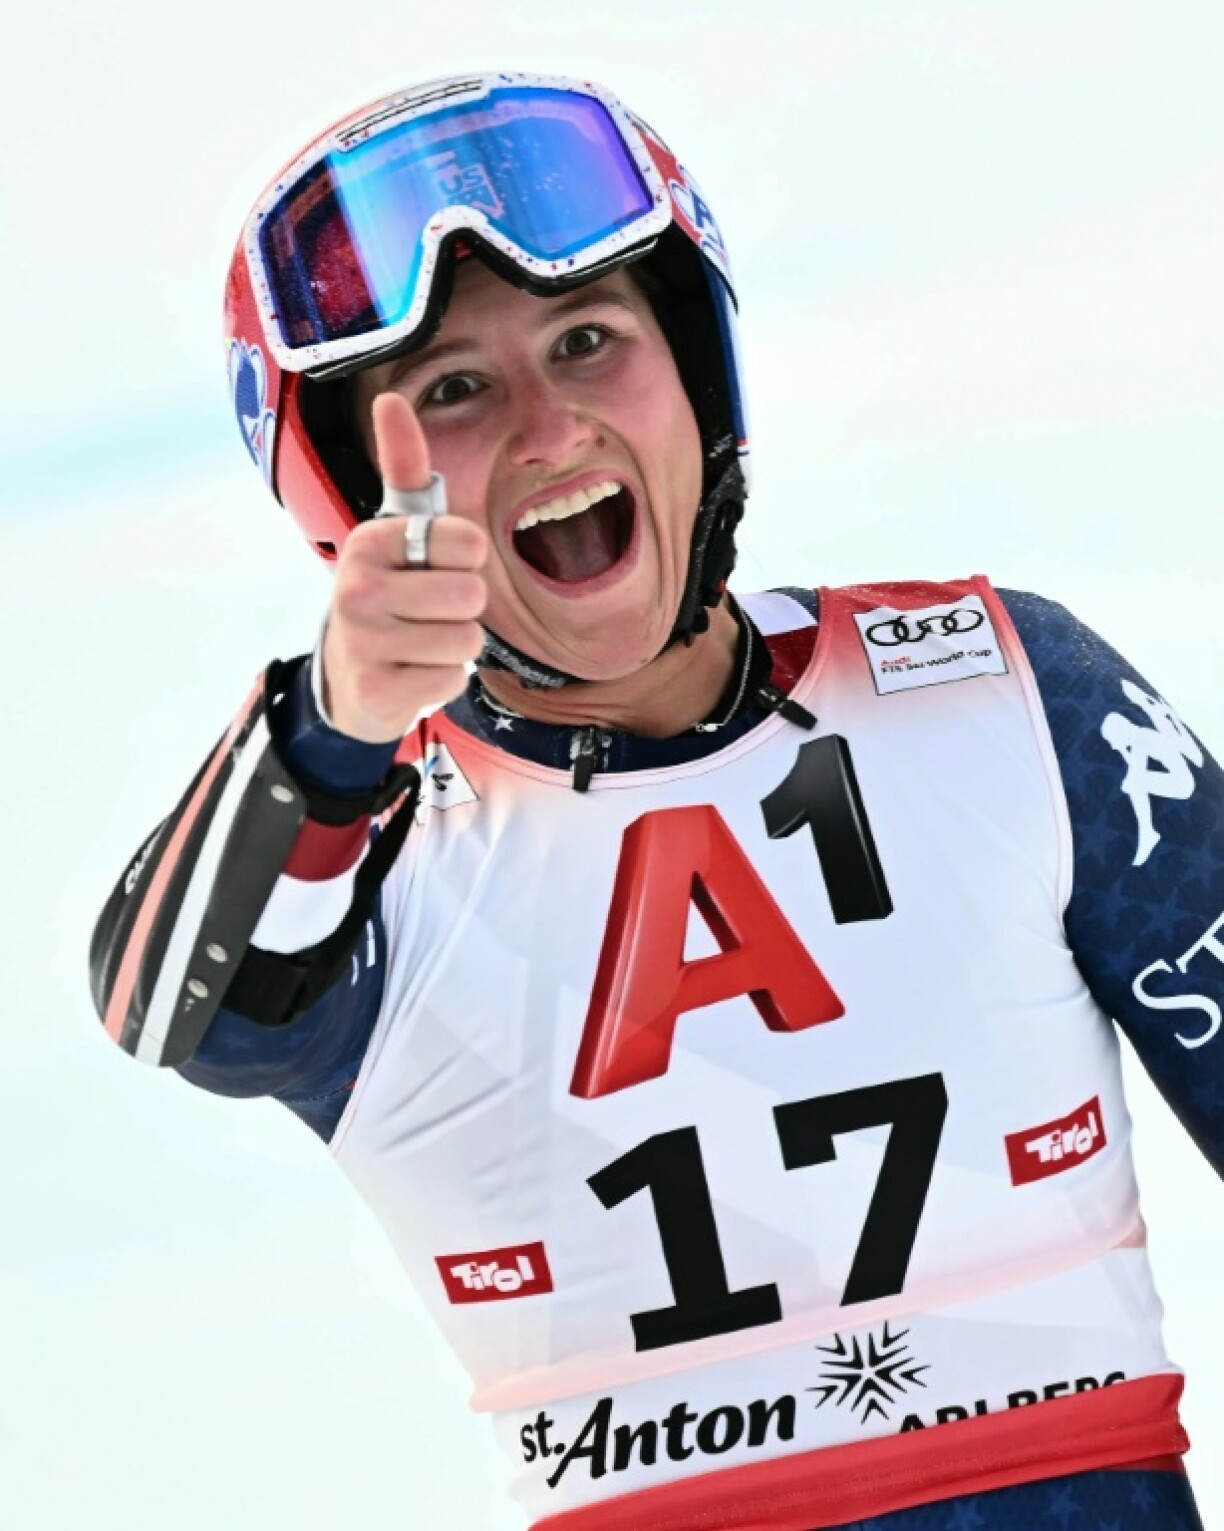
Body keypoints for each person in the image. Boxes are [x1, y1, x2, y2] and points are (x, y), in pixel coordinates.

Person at [90, 72, 1222, 1530]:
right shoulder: (361, 854)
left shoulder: (1008, 689)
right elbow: (176, 1008)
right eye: (452, 390)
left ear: (698, 376)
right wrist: (326, 728)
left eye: (588, 340)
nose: (551, 429)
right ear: (349, 502)